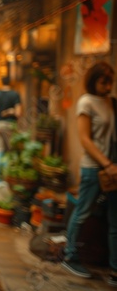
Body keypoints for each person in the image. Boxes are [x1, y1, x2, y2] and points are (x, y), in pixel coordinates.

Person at [62, 62, 117, 286]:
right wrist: (105, 163)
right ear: (93, 80)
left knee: (115, 219)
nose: (108, 86)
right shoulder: (86, 102)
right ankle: (70, 254)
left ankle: (114, 268)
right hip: (95, 168)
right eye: (104, 81)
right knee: (82, 211)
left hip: (113, 168)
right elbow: (85, 139)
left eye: (110, 81)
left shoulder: (110, 102)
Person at [0, 76, 22, 179]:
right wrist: (11, 111)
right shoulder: (15, 94)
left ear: (1, 82)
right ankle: (6, 178)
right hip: (9, 125)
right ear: (11, 83)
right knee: (9, 152)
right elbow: (19, 113)